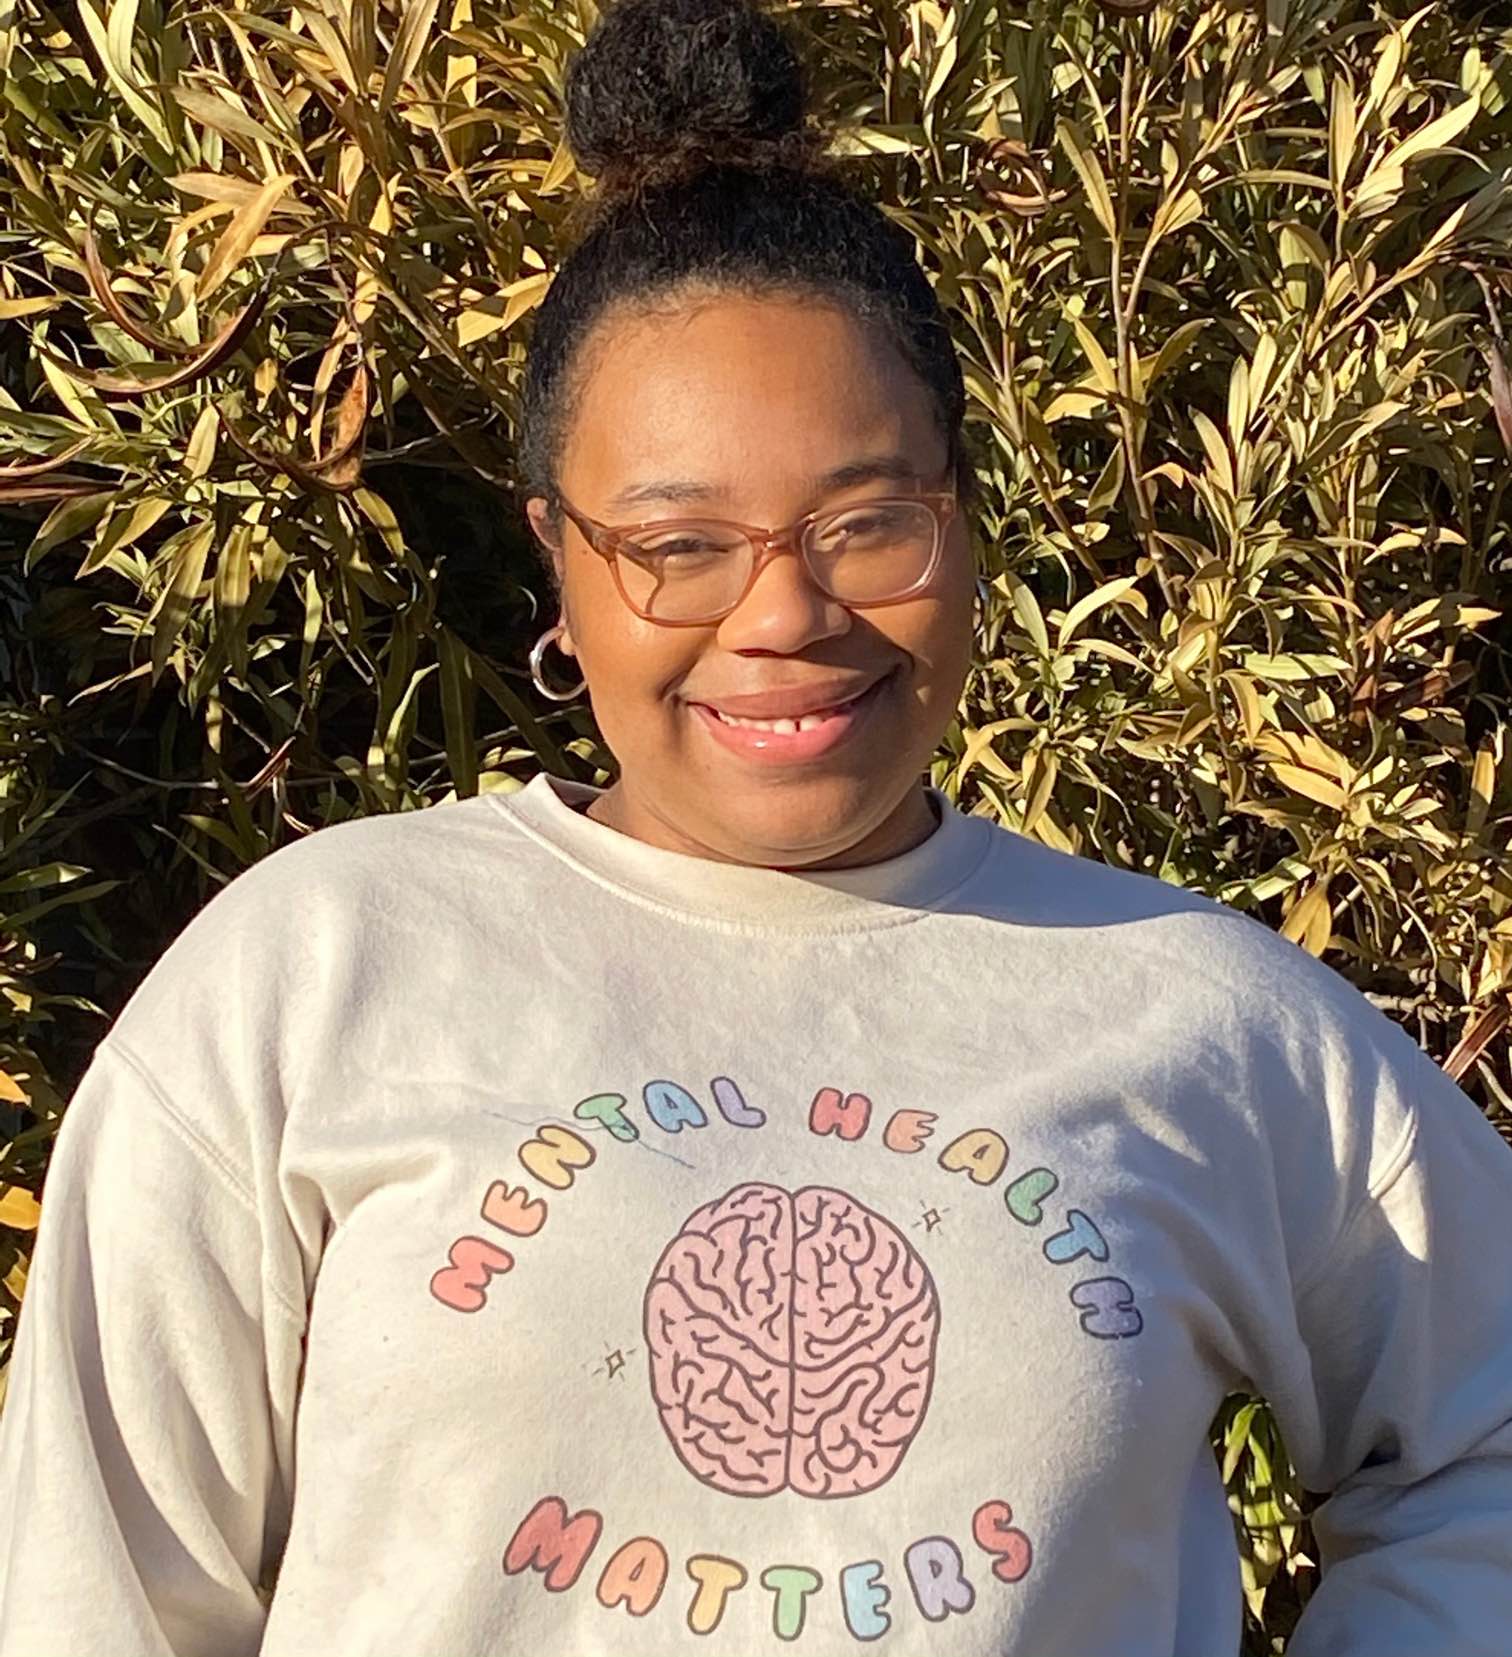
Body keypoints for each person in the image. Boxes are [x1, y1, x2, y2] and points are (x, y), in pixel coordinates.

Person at [2, 1, 1511, 1653]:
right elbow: (94, 1586)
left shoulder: (1202, 1017)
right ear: (559, 567)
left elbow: (1481, 1443)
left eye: (868, 521)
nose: (782, 612)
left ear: (966, 518)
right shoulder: (313, 976)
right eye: (677, 542)